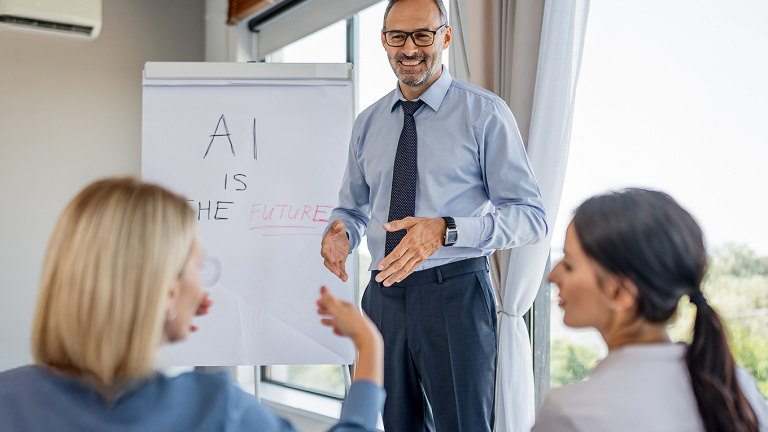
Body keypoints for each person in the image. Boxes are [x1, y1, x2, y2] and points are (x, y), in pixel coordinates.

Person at [0, 177, 385, 432]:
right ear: (167, 291)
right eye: (197, 269)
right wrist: (369, 347)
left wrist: (156, 324)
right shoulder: (215, 411)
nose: (202, 286)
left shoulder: (9, 400)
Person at [320, 0, 547, 430]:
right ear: (384, 42)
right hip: (383, 297)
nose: (409, 49)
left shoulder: (485, 114)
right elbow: (351, 208)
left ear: (444, 36)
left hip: (455, 295)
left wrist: (448, 230)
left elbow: (532, 217)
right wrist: (340, 232)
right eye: (397, 37)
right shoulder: (368, 124)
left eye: (422, 35)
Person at [533, 188, 768, 432]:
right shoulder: (736, 388)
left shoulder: (572, 414)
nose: (552, 276)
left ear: (622, 293)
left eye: (569, 265)